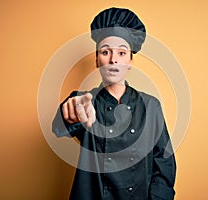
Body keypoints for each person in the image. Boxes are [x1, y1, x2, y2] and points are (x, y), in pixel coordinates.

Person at [52, 7, 176, 200]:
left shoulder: (151, 106)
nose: (113, 60)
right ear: (96, 60)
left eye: (121, 52)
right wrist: (70, 110)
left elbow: (164, 163)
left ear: (130, 61)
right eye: (105, 52)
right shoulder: (85, 101)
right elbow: (60, 125)